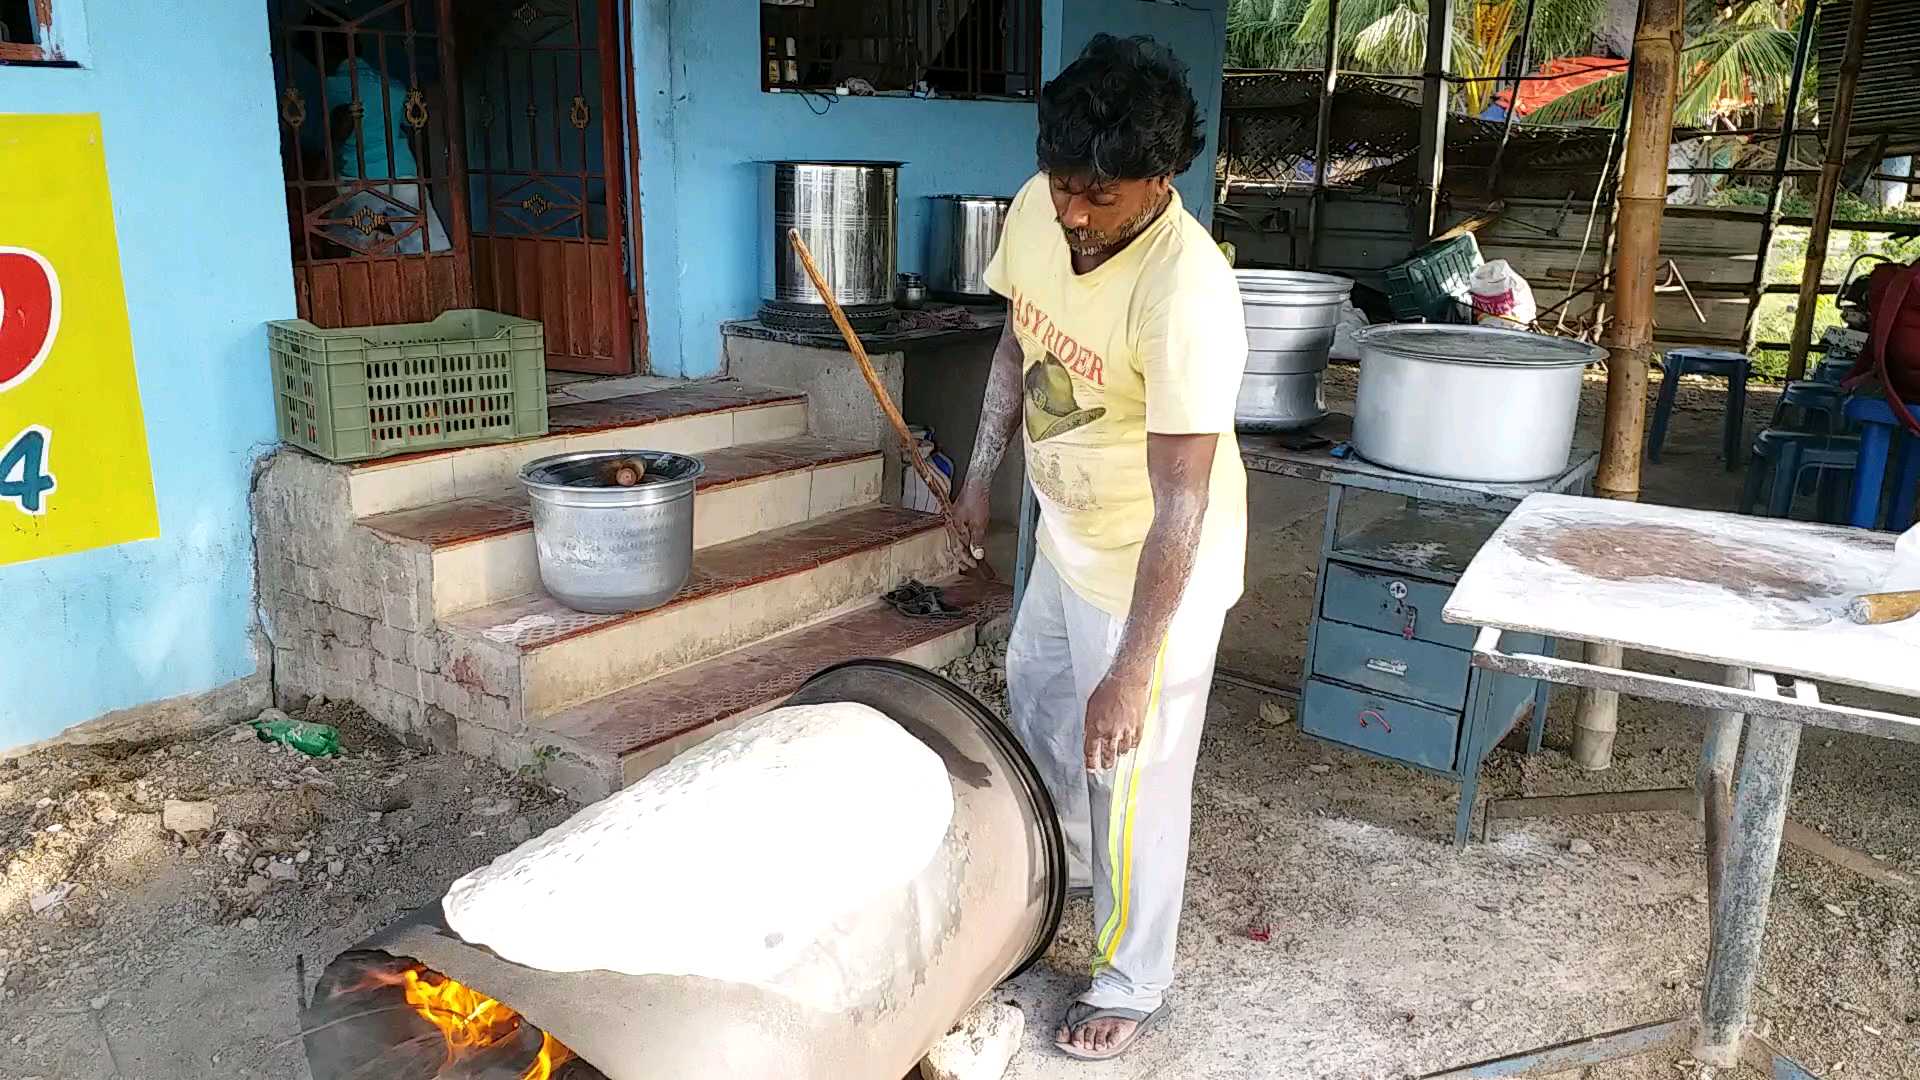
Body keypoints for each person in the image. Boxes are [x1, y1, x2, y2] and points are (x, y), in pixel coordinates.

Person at [954, 33, 1248, 1063]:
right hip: (1067, 539)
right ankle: (1057, 889)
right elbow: (1016, 337)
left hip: (1154, 566)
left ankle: (1132, 974)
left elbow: (1182, 506)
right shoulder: (1043, 207)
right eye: (1063, 183)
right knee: (1039, 715)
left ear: (1160, 181)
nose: (1075, 212)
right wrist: (979, 470)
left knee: (1128, 767)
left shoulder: (1187, 294)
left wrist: (1131, 668)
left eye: (1101, 196)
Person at [322, 51, 451, 255]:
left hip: (360, 178)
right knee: (427, 245)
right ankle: (438, 281)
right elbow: (409, 122)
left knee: (347, 245)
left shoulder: (331, 86)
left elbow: (334, 132)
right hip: (402, 173)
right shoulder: (394, 87)